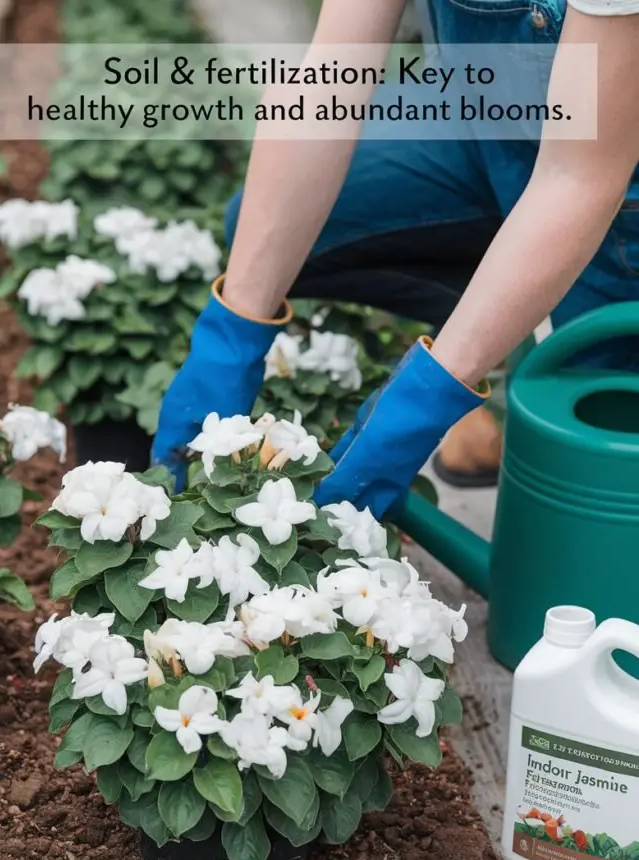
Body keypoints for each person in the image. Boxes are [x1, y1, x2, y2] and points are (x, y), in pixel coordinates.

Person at [153, 0, 639, 518]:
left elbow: (578, 178)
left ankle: (523, 331)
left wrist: (417, 409)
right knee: (270, 232)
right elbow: (330, 76)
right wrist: (231, 334)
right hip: (483, 123)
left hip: (615, 184)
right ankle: (503, 321)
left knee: (589, 459)